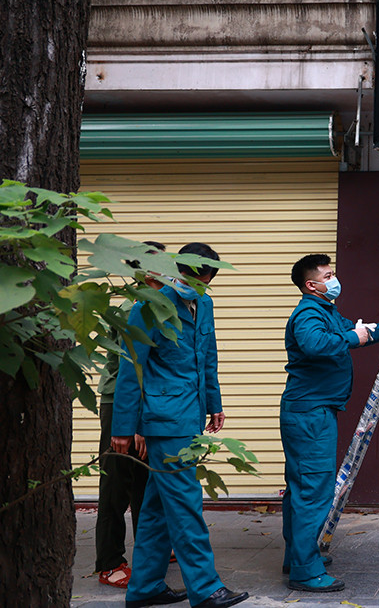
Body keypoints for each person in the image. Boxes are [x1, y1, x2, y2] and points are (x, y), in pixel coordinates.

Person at [111, 242, 248, 608]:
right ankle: (205, 589)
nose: (192, 281)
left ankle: (144, 588)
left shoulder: (204, 304)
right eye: (187, 273)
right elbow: (130, 368)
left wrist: (214, 403)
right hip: (164, 421)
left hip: (190, 416)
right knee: (186, 505)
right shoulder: (148, 307)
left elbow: (208, 357)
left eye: (202, 277)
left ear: (209, 279)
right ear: (177, 268)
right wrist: (123, 428)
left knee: (156, 510)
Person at [280, 253, 379, 592]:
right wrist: (356, 338)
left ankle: (297, 556)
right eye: (328, 274)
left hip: (311, 411)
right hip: (310, 414)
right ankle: (305, 572)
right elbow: (316, 345)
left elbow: (359, 330)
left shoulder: (326, 311)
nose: (334, 278)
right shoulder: (308, 313)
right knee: (313, 490)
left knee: (301, 488)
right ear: (312, 284)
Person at [95, 241, 163, 588]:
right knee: (116, 484)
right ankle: (109, 562)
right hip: (119, 404)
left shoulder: (158, 305)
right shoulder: (131, 308)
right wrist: (134, 422)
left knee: (144, 482)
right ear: (143, 271)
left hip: (144, 403)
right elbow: (129, 371)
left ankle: (150, 548)